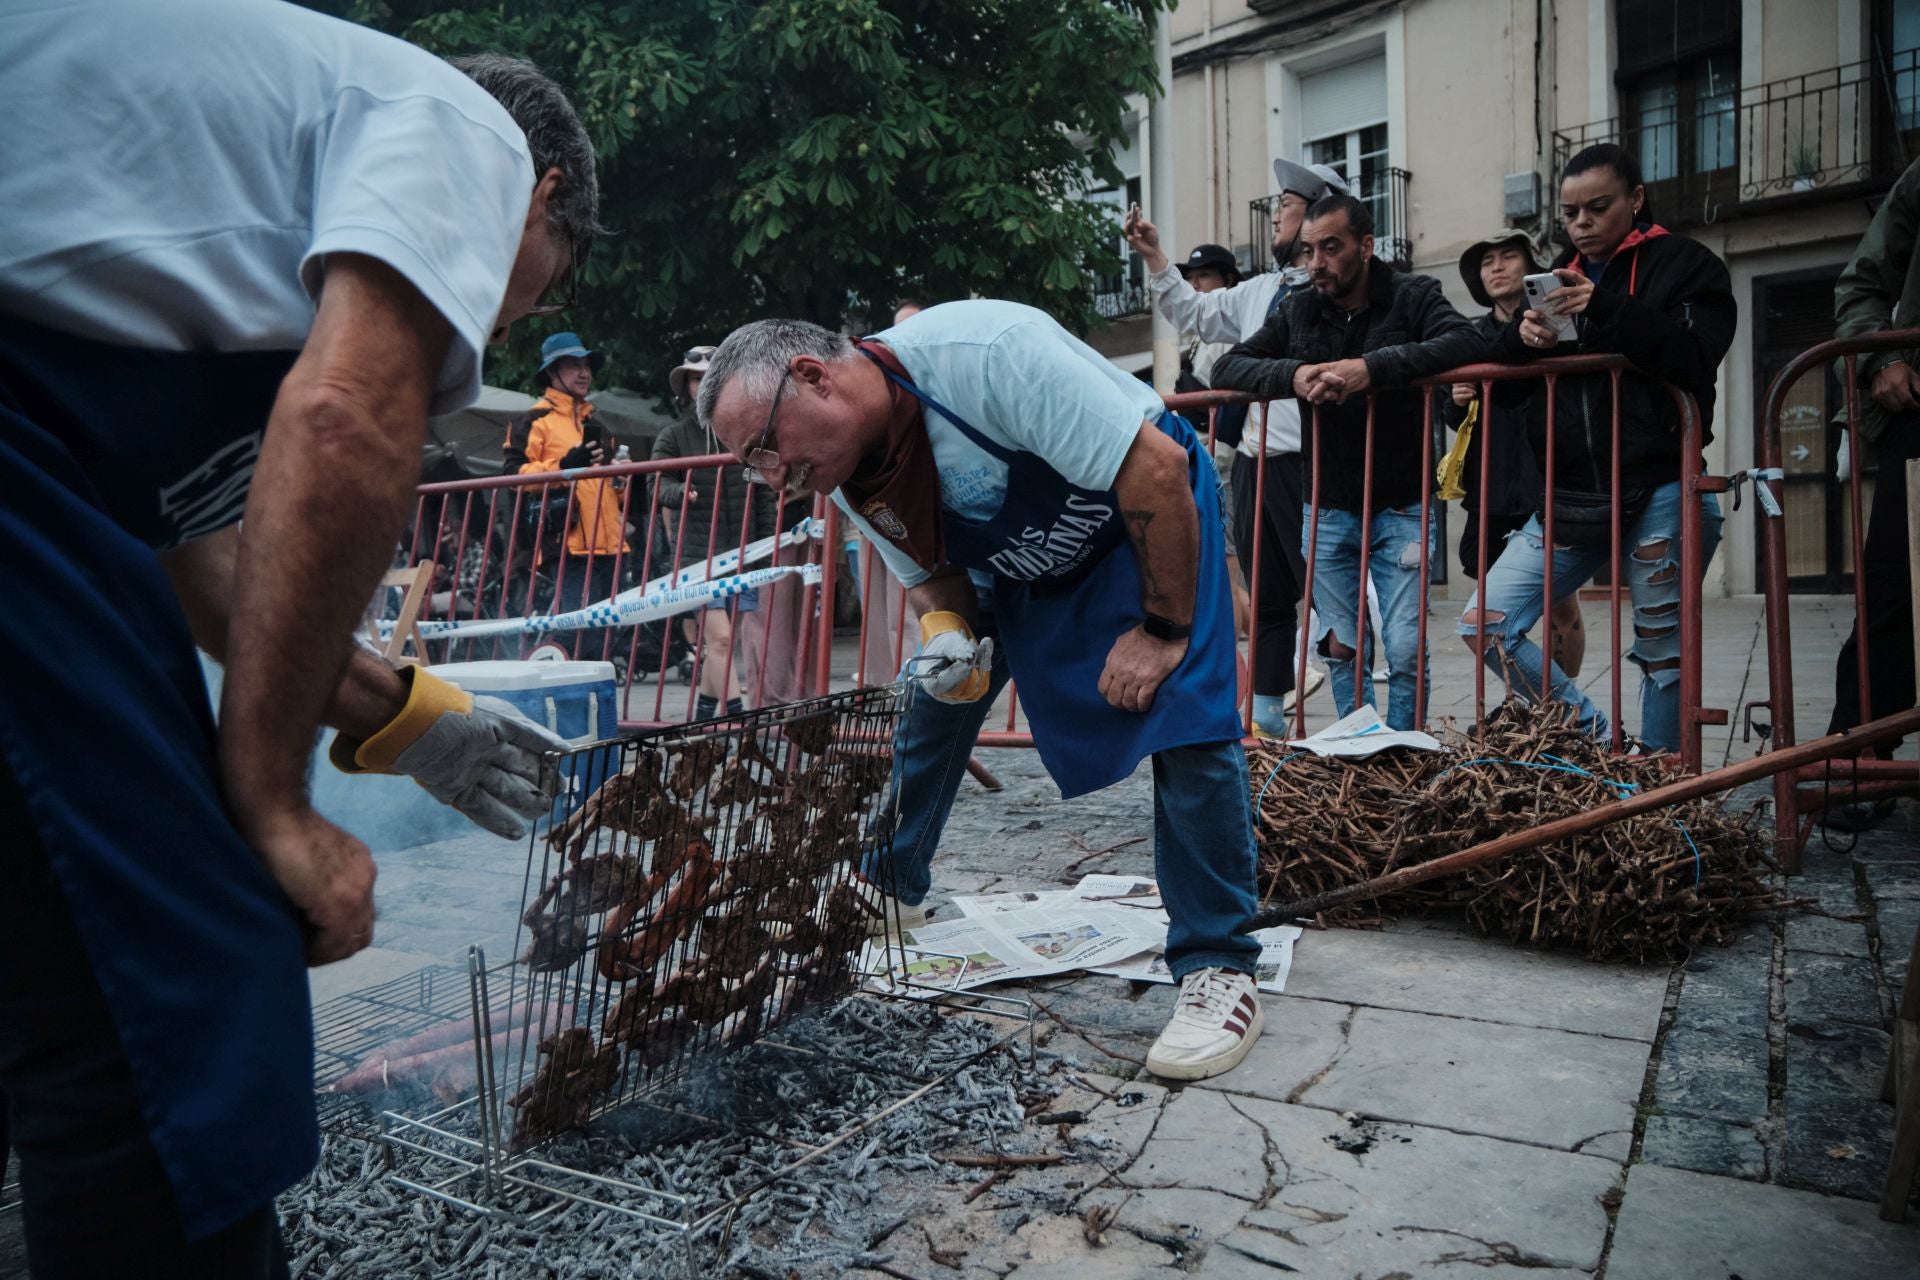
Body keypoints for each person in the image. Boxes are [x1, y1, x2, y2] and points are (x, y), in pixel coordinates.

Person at [0, 7, 595, 1273]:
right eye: (531, 286)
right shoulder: (462, 129)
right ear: (541, 193)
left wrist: (406, 715)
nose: (489, 329)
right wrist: (273, 803)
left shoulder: (154, 252)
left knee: (40, 946)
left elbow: (203, 569)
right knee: (172, 976)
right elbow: (342, 423)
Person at [697, 305, 1267, 1082]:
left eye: (765, 447)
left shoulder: (988, 356)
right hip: (1019, 561)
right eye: (750, 464)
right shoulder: (851, 473)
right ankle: (888, 885)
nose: (773, 478)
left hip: (1145, 515)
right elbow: (936, 579)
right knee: (937, 704)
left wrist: (1164, 631)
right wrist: (950, 642)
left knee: (1187, 723)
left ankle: (1219, 963)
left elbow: (1157, 470)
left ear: (812, 376)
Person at [1460, 143, 1734, 752]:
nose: (1581, 224)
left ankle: (1657, 786)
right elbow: (1509, 393)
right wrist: (1522, 341)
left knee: (1663, 653)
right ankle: (1608, 746)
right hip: (1570, 494)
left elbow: (1696, 357)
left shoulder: (1688, 264)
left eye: (1597, 208)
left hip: (1661, 484)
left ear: (1635, 200)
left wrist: (1606, 307)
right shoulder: (1555, 276)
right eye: (1569, 213)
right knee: (1485, 622)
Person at [1211, 194, 1481, 731]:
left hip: (1402, 503)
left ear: (1366, 246)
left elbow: (1465, 340)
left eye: (1330, 248)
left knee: (1404, 646)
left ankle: (1403, 750)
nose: (1316, 262)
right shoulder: (1297, 308)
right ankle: (1360, 747)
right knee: (1341, 646)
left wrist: (1371, 369)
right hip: (1327, 506)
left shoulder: (1412, 295)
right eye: (1310, 249)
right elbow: (1228, 367)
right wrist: (1293, 375)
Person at [1126, 160, 1348, 733]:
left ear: (1321, 214)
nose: (1275, 214)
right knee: (1268, 598)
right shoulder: (1262, 290)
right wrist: (1154, 255)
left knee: (1333, 600)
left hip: (1313, 462)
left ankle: (1359, 721)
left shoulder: (1339, 293)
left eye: (1287, 204)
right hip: (1255, 464)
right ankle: (1267, 724)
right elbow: (1193, 312)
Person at [1819, 156, 1920, 828]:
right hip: (1919, 416)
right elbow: (1863, 282)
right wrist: (1883, 356)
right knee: (1892, 591)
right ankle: (1857, 761)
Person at [1444, 229, 1586, 679]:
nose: (1497, 267)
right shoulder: (1469, 336)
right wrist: (1457, 398)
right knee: (1493, 611)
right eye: (1487, 262)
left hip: (1550, 482)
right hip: (1491, 488)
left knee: (1560, 606)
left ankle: (1564, 711)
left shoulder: (1557, 323)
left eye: (1508, 256)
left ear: (1530, 266)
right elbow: (1452, 415)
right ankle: (1523, 705)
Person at [652, 344, 776, 716]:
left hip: (743, 552)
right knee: (720, 639)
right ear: (686, 386)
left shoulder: (749, 431)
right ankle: (737, 718)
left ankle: (703, 720)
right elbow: (657, 483)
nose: (703, 383)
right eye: (695, 378)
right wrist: (678, 492)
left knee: (722, 644)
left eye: (711, 376)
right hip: (697, 556)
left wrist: (766, 549)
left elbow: (765, 495)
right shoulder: (674, 435)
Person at [504, 330, 628, 619]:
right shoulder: (531, 420)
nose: (584, 373)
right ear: (552, 372)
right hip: (566, 547)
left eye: (587, 366)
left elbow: (613, 491)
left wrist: (621, 480)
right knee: (579, 631)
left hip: (613, 545)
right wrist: (563, 468)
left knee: (609, 631)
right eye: (574, 365)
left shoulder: (598, 425)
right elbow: (513, 477)